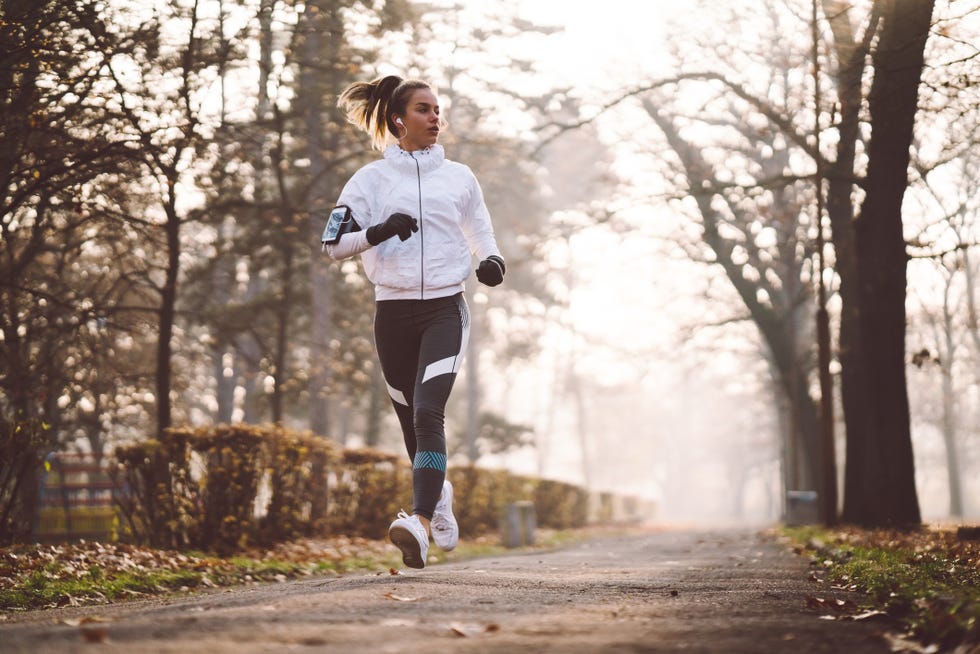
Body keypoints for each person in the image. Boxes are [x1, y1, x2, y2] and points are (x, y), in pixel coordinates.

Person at [325, 75, 505, 569]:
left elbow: (482, 234)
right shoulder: (368, 181)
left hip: (445, 309)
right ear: (398, 119)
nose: (435, 118)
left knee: (429, 412)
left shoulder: (460, 177)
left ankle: (419, 524)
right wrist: (378, 231)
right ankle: (439, 491)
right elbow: (332, 245)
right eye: (424, 109)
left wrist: (491, 262)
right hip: (392, 313)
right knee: (410, 425)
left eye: (437, 109)